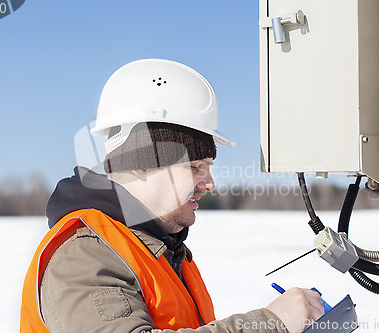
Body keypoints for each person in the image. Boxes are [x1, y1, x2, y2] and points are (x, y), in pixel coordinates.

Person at [20, 59, 324, 333]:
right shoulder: (85, 254)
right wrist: (269, 325)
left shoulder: (160, 251)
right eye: (195, 167)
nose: (209, 184)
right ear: (141, 163)